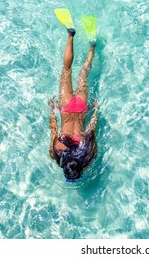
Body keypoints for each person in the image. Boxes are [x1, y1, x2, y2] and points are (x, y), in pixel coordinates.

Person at [48, 27, 98, 182]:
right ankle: (70, 35)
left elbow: (91, 128)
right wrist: (51, 110)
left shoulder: (87, 150)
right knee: (67, 70)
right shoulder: (57, 150)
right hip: (66, 105)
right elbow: (54, 127)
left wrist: (95, 111)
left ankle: (92, 46)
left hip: (82, 107)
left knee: (84, 74)